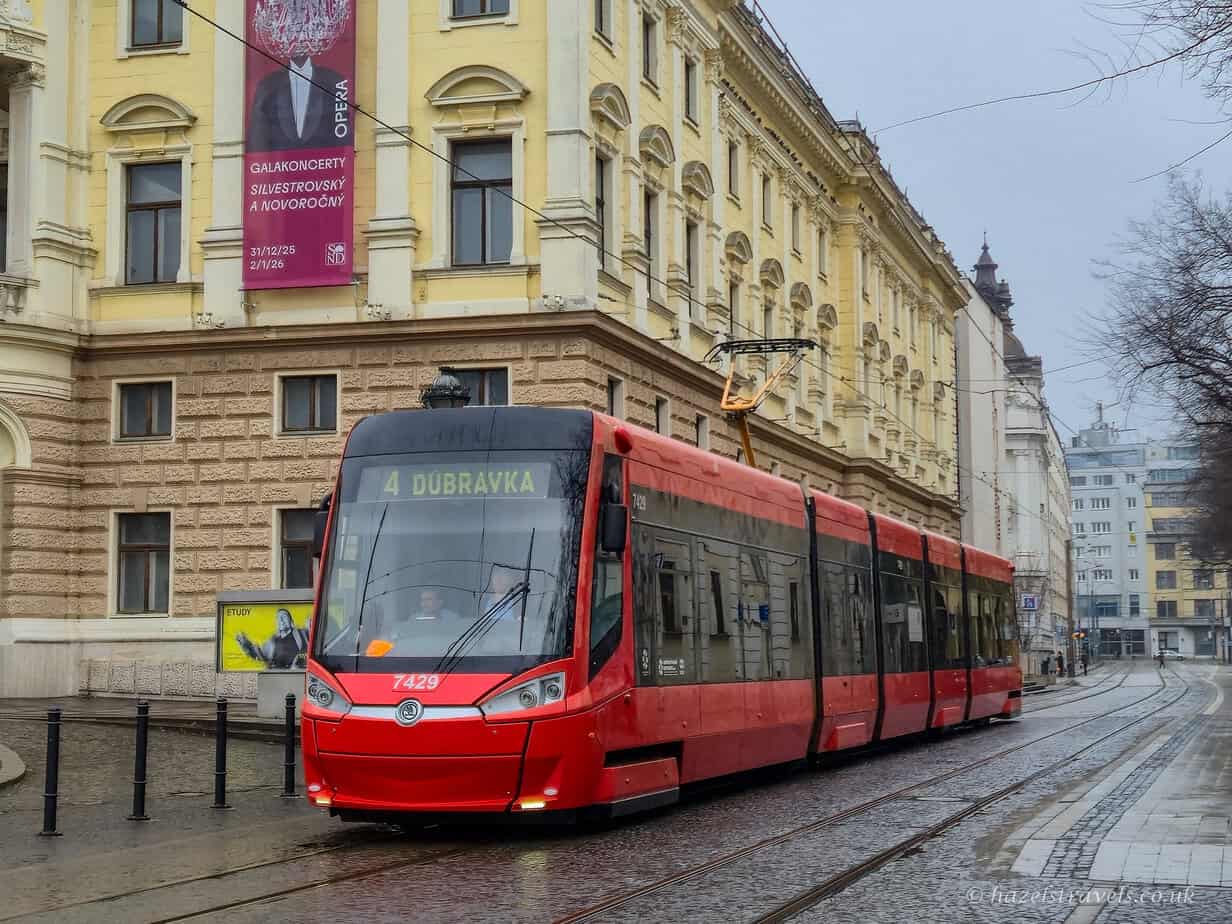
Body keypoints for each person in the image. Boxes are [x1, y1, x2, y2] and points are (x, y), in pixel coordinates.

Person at [246, 0, 353, 153]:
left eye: (304, 31)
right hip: (278, 173)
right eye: (291, 32)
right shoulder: (267, 86)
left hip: (326, 171)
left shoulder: (334, 81)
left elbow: (344, 139)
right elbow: (257, 140)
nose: (298, 38)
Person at [235, 608, 309, 669]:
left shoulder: (302, 633)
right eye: (279, 618)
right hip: (279, 676)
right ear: (278, 625)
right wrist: (246, 645)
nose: (281, 620)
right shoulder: (273, 641)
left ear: (291, 622)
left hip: (300, 673)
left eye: (284, 616)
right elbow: (259, 654)